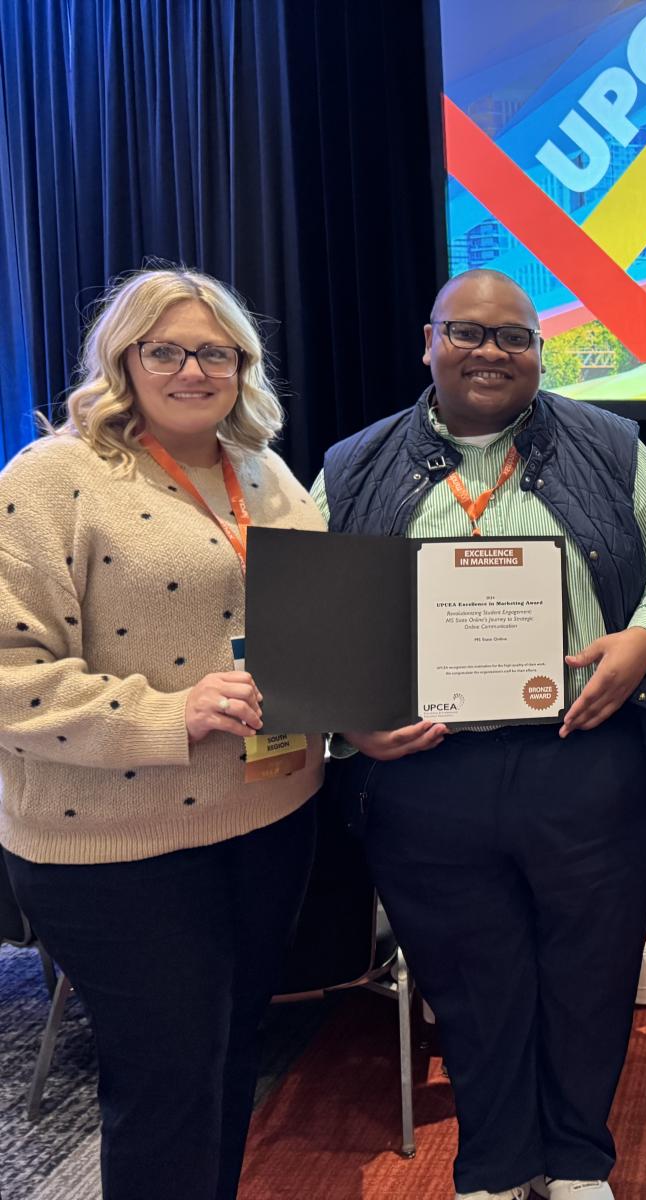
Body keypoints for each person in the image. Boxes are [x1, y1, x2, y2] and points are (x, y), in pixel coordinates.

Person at [311, 268, 646, 1200]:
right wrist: (348, 713)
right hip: (425, 774)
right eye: (468, 333)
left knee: (589, 970)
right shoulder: (352, 464)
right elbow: (302, 605)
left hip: (585, 755)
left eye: (514, 337)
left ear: (539, 351)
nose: (490, 352)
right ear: (428, 342)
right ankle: (491, 1162)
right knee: (472, 982)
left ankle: (576, 1160)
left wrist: (644, 640)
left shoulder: (610, 446)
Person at [0, 267, 325, 1198]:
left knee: (226, 1062)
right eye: (167, 350)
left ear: (242, 365)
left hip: (266, 819)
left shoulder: (262, 468)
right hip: (114, 846)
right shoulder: (53, 478)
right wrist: (163, 714)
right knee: (166, 1082)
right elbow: (7, 674)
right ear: (125, 360)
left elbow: (315, 622)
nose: (193, 369)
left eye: (215, 351)